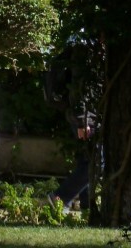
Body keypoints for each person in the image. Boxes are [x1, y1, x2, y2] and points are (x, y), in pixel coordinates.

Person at [45, 34, 99, 212]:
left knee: (87, 160)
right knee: (95, 162)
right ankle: (61, 197)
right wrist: (84, 121)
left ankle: (87, 207)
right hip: (85, 116)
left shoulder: (81, 44)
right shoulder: (85, 50)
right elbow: (80, 89)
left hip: (83, 115)